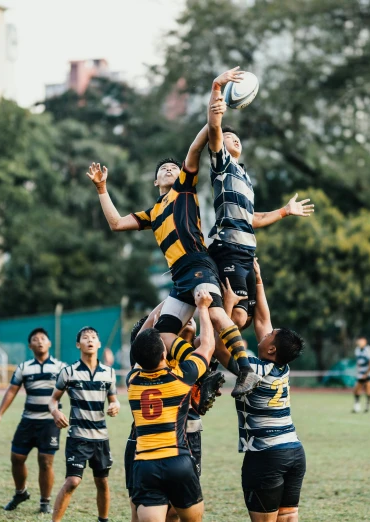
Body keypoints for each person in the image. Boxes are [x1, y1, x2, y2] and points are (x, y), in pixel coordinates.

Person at [87, 79, 259, 398]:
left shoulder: (183, 188)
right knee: (163, 336)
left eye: (172, 167)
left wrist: (212, 120)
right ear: (155, 181)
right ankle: (204, 372)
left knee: (217, 313)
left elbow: (195, 149)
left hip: (197, 261)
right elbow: (115, 223)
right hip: (179, 277)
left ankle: (247, 369)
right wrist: (101, 189)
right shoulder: (153, 213)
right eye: (163, 169)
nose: (169, 170)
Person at [206, 67, 314, 331]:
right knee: (236, 318)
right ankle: (209, 362)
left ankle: (255, 367)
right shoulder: (222, 167)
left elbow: (252, 218)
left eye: (238, 137)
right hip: (228, 248)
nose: (235, 140)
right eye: (230, 137)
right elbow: (214, 127)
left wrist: (285, 211)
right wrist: (216, 88)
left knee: (250, 320)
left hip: (247, 253)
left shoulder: (244, 178)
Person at [220, 258, 306, 522]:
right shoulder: (282, 368)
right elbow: (263, 319)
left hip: (267, 455)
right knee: (288, 517)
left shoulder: (254, 370)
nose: (265, 333)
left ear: (271, 349)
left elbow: (219, 347)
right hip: (294, 451)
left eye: (270, 335)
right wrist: (258, 281)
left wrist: (226, 304)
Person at [127, 289, 216, 522]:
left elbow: (141, 338)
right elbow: (207, 346)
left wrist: (165, 307)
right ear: (165, 352)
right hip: (178, 461)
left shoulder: (132, 380)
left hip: (145, 463)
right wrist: (203, 308)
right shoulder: (181, 377)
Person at [0, 328, 67, 515]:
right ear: (30, 345)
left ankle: (45, 502)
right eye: (35, 339)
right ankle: (21, 493)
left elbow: (74, 388)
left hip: (50, 423)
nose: (40, 341)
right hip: (27, 421)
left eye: (43, 338)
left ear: (49, 343)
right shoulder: (24, 367)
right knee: (16, 458)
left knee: (46, 461)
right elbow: (11, 391)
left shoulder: (60, 367)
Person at [48, 327, 119, 522]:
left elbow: (114, 399)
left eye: (94, 337)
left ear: (99, 344)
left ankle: (102, 519)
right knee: (72, 481)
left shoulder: (109, 373)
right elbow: (53, 400)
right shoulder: (68, 372)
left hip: (101, 439)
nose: (90, 340)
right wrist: (55, 412)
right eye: (85, 338)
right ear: (78, 344)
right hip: (78, 437)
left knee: (102, 482)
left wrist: (114, 405)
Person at [352, 336, 370, 413]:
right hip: (360, 373)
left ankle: (367, 406)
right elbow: (358, 362)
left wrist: (366, 374)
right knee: (356, 390)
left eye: (361, 341)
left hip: (367, 373)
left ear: (365, 341)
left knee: (368, 390)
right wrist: (358, 371)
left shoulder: (367, 350)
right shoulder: (357, 350)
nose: (359, 343)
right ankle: (357, 406)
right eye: (359, 341)